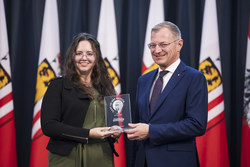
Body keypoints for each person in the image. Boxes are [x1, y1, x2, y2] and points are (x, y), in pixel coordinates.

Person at [125, 21, 208, 167]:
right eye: (153, 45)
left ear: (179, 44)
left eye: (163, 44)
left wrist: (151, 131)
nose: (157, 50)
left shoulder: (194, 78)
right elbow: (138, 126)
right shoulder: (143, 80)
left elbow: (196, 125)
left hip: (176, 162)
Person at [41, 33, 121, 167]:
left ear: (96, 58)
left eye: (90, 53)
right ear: (72, 57)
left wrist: (115, 131)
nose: (84, 58)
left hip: (101, 156)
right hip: (67, 158)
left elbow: (112, 121)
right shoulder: (58, 85)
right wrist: (88, 134)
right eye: (79, 53)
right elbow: (49, 126)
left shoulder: (106, 86)